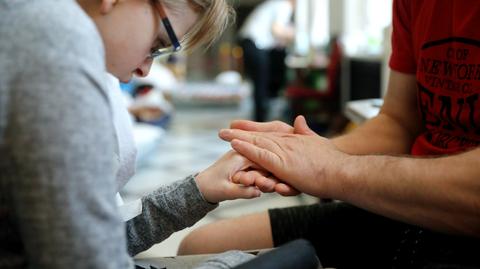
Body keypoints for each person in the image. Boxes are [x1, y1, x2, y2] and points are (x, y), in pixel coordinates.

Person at [178, 0, 480, 268]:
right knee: (199, 246)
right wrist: (301, 154)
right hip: (409, 207)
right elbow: (398, 121)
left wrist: (330, 169)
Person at [0, 0, 265, 268]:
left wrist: (199, 190)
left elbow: (93, 236)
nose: (145, 69)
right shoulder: (58, 46)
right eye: (156, 45)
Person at [238, 0, 296, 122]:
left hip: (250, 43)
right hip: (254, 44)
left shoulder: (274, 4)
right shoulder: (283, 5)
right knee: (261, 85)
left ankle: (260, 121)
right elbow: (276, 30)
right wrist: (295, 34)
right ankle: (260, 123)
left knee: (260, 85)